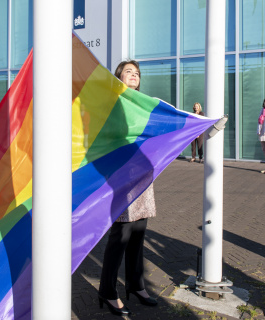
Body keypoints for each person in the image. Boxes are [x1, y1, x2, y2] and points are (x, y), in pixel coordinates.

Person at [98, 60, 157, 316]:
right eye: (128, 72)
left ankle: (136, 285)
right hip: (122, 178)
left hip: (143, 177)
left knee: (138, 233)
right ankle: (108, 291)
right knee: (120, 235)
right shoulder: (113, 104)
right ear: (119, 78)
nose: (134, 75)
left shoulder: (145, 103)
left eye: (137, 73)